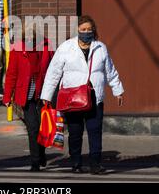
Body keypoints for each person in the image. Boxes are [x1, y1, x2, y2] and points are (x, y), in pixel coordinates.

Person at [40, 15, 125, 174]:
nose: (86, 32)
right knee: (75, 132)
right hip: (73, 98)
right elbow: (53, 72)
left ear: (93, 30)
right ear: (77, 30)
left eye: (89, 29)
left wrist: (117, 90)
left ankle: (95, 164)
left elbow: (110, 71)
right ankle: (76, 163)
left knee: (95, 132)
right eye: (83, 29)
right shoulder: (66, 47)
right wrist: (47, 95)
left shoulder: (101, 48)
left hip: (95, 97)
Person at [2, 23, 54, 171]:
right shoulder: (17, 49)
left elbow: (53, 69)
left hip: (43, 93)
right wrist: (7, 96)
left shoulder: (45, 47)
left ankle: (41, 153)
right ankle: (35, 161)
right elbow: (12, 73)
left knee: (43, 128)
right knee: (33, 128)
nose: (31, 40)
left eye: (33, 37)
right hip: (26, 94)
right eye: (28, 37)